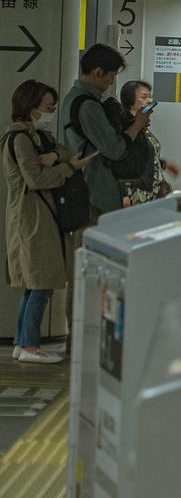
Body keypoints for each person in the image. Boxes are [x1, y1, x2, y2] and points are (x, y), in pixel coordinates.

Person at [4, 81, 93, 364]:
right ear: (30, 107)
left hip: (42, 216)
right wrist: (66, 169)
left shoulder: (37, 137)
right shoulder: (19, 139)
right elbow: (35, 179)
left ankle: (23, 342)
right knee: (41, 282)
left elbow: (66, 151)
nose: (51, 112)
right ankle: (29, 346)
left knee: (36, 282)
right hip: (32, 217)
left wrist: (54, 156)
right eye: (47, 108)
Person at [61, 43, 148, 216]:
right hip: (95, 192)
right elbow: (114, 149)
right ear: (98, 72)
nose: (112, 81)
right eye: (112, 75)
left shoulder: (73, 97)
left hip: (89, 189)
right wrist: (137, 125)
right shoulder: (88, 106)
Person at [116, 80, 176, 204]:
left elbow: (143, 154)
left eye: (149, 97)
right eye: (144, 97)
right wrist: (124, 193)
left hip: (149, 190)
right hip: (134, 193)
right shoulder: (127, 127)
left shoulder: (143, 127)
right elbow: (121, 159)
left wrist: (163, 164)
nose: (149, 101)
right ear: (130, 100)